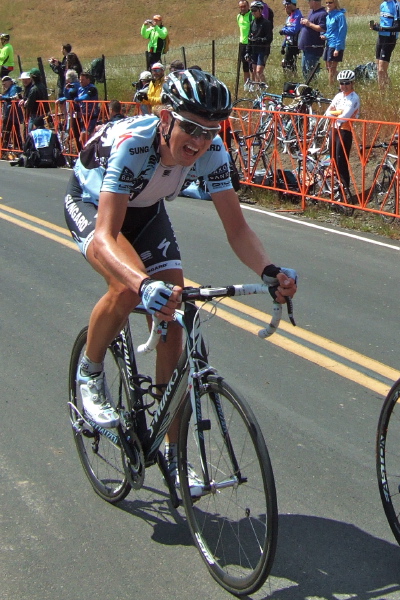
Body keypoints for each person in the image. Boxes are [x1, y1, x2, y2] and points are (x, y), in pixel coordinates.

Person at [63, 69, 297, 491]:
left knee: (175, 313)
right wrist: (140, 283)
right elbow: (106, 235)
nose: (200, 141)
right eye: (191, 128)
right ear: (165, 117)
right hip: (94, 205)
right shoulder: (133, 145)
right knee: (125, 286)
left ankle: (171, 452)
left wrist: (268, 270)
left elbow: (237, 228)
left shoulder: (213, 152)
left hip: (147, 209)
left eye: (211, 131)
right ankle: (90, 372)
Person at [324, 69, 360, 199]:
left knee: (341, 160)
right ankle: (335, 188)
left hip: (345, 130)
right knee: (332, 159)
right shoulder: (338, 96)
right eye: (342, 83)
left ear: (352, 83)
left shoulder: (354, 98)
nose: (344, 86)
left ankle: (345, 191)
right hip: (333, 128)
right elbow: (327, 113)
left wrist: (336, 112)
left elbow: (345, 117)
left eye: (347, 83)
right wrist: (337, 113)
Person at [369, 0, 400, 89]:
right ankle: (390, 90)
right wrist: (377, 26)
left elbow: (398, 27)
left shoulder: (396, 5)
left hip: (390, 38)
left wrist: (381, 28)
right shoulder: (383, 5)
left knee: (381, 69)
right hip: (381, 37)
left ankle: (382, 95)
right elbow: (385, 24)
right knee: (380, 69)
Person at [248, 1, 275, 85]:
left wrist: (259, 39)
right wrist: (247, 51)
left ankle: (264, 90)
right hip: (254, 49)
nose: (253, 12)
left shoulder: (266, 23)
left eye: (255, 10)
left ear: (260, 10)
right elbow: (249, 38)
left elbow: (269, 38)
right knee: (254, 70)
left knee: (259, 71)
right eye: (252, 10)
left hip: (263, 50)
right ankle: (258, 91)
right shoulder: (252, 23)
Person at [299, 0, 328, 78]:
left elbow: (322, 28)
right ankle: (307, 88)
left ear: (314, 1)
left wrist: (308, 24)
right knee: (305, 71)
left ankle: (312, 87)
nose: (308, 3)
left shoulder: (322, 14)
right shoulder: (312, 12)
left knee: (311, 73)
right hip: (306, 48)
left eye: (309, 1)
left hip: (313, 49)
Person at [322, 0, 348, 86]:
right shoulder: (328, 16)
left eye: (330, 2)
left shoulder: (340, 16)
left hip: (336, 44)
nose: (328, 4)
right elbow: (330, 31)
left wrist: (337, 48)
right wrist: (325, 35)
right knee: (328, 67)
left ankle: (331, 87)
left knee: (332, 68)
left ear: (335, 3)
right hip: (329, 43)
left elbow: (342, 32)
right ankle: (345, 79)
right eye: (326, 2)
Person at [280, 0, 303, 74]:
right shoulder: (290, 16)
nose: (285, 7)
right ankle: (290, 80)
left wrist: (283, 31)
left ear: (292, 5)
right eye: (285, 5)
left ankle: (292, 81)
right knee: (286, 64)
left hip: (294, 44)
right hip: (288, 43)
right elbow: (288, 31)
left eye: (287, 5)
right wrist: (283, 45)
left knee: (290, 64)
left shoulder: (297, 15)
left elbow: (294, 30)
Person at [1, 74, 22, 154]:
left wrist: (2, 97)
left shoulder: (14, 88)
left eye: (4, 83)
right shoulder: (9, 89)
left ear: (10, 82)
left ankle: (6, 148)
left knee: (8, 131)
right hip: (9, 113)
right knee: (10, 131)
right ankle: (15, 148)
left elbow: (12, 98)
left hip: (12, 113)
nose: (4, 85)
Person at [237, 0, 253, 88]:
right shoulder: (238, 17)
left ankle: (254, 85)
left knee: (252, 67)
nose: (242, 8)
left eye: (244, 6)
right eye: (241, 7)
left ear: (248, 6)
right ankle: (247, 86)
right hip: (242, 44)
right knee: (245, 66)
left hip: (250, 44)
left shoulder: (251, 15)